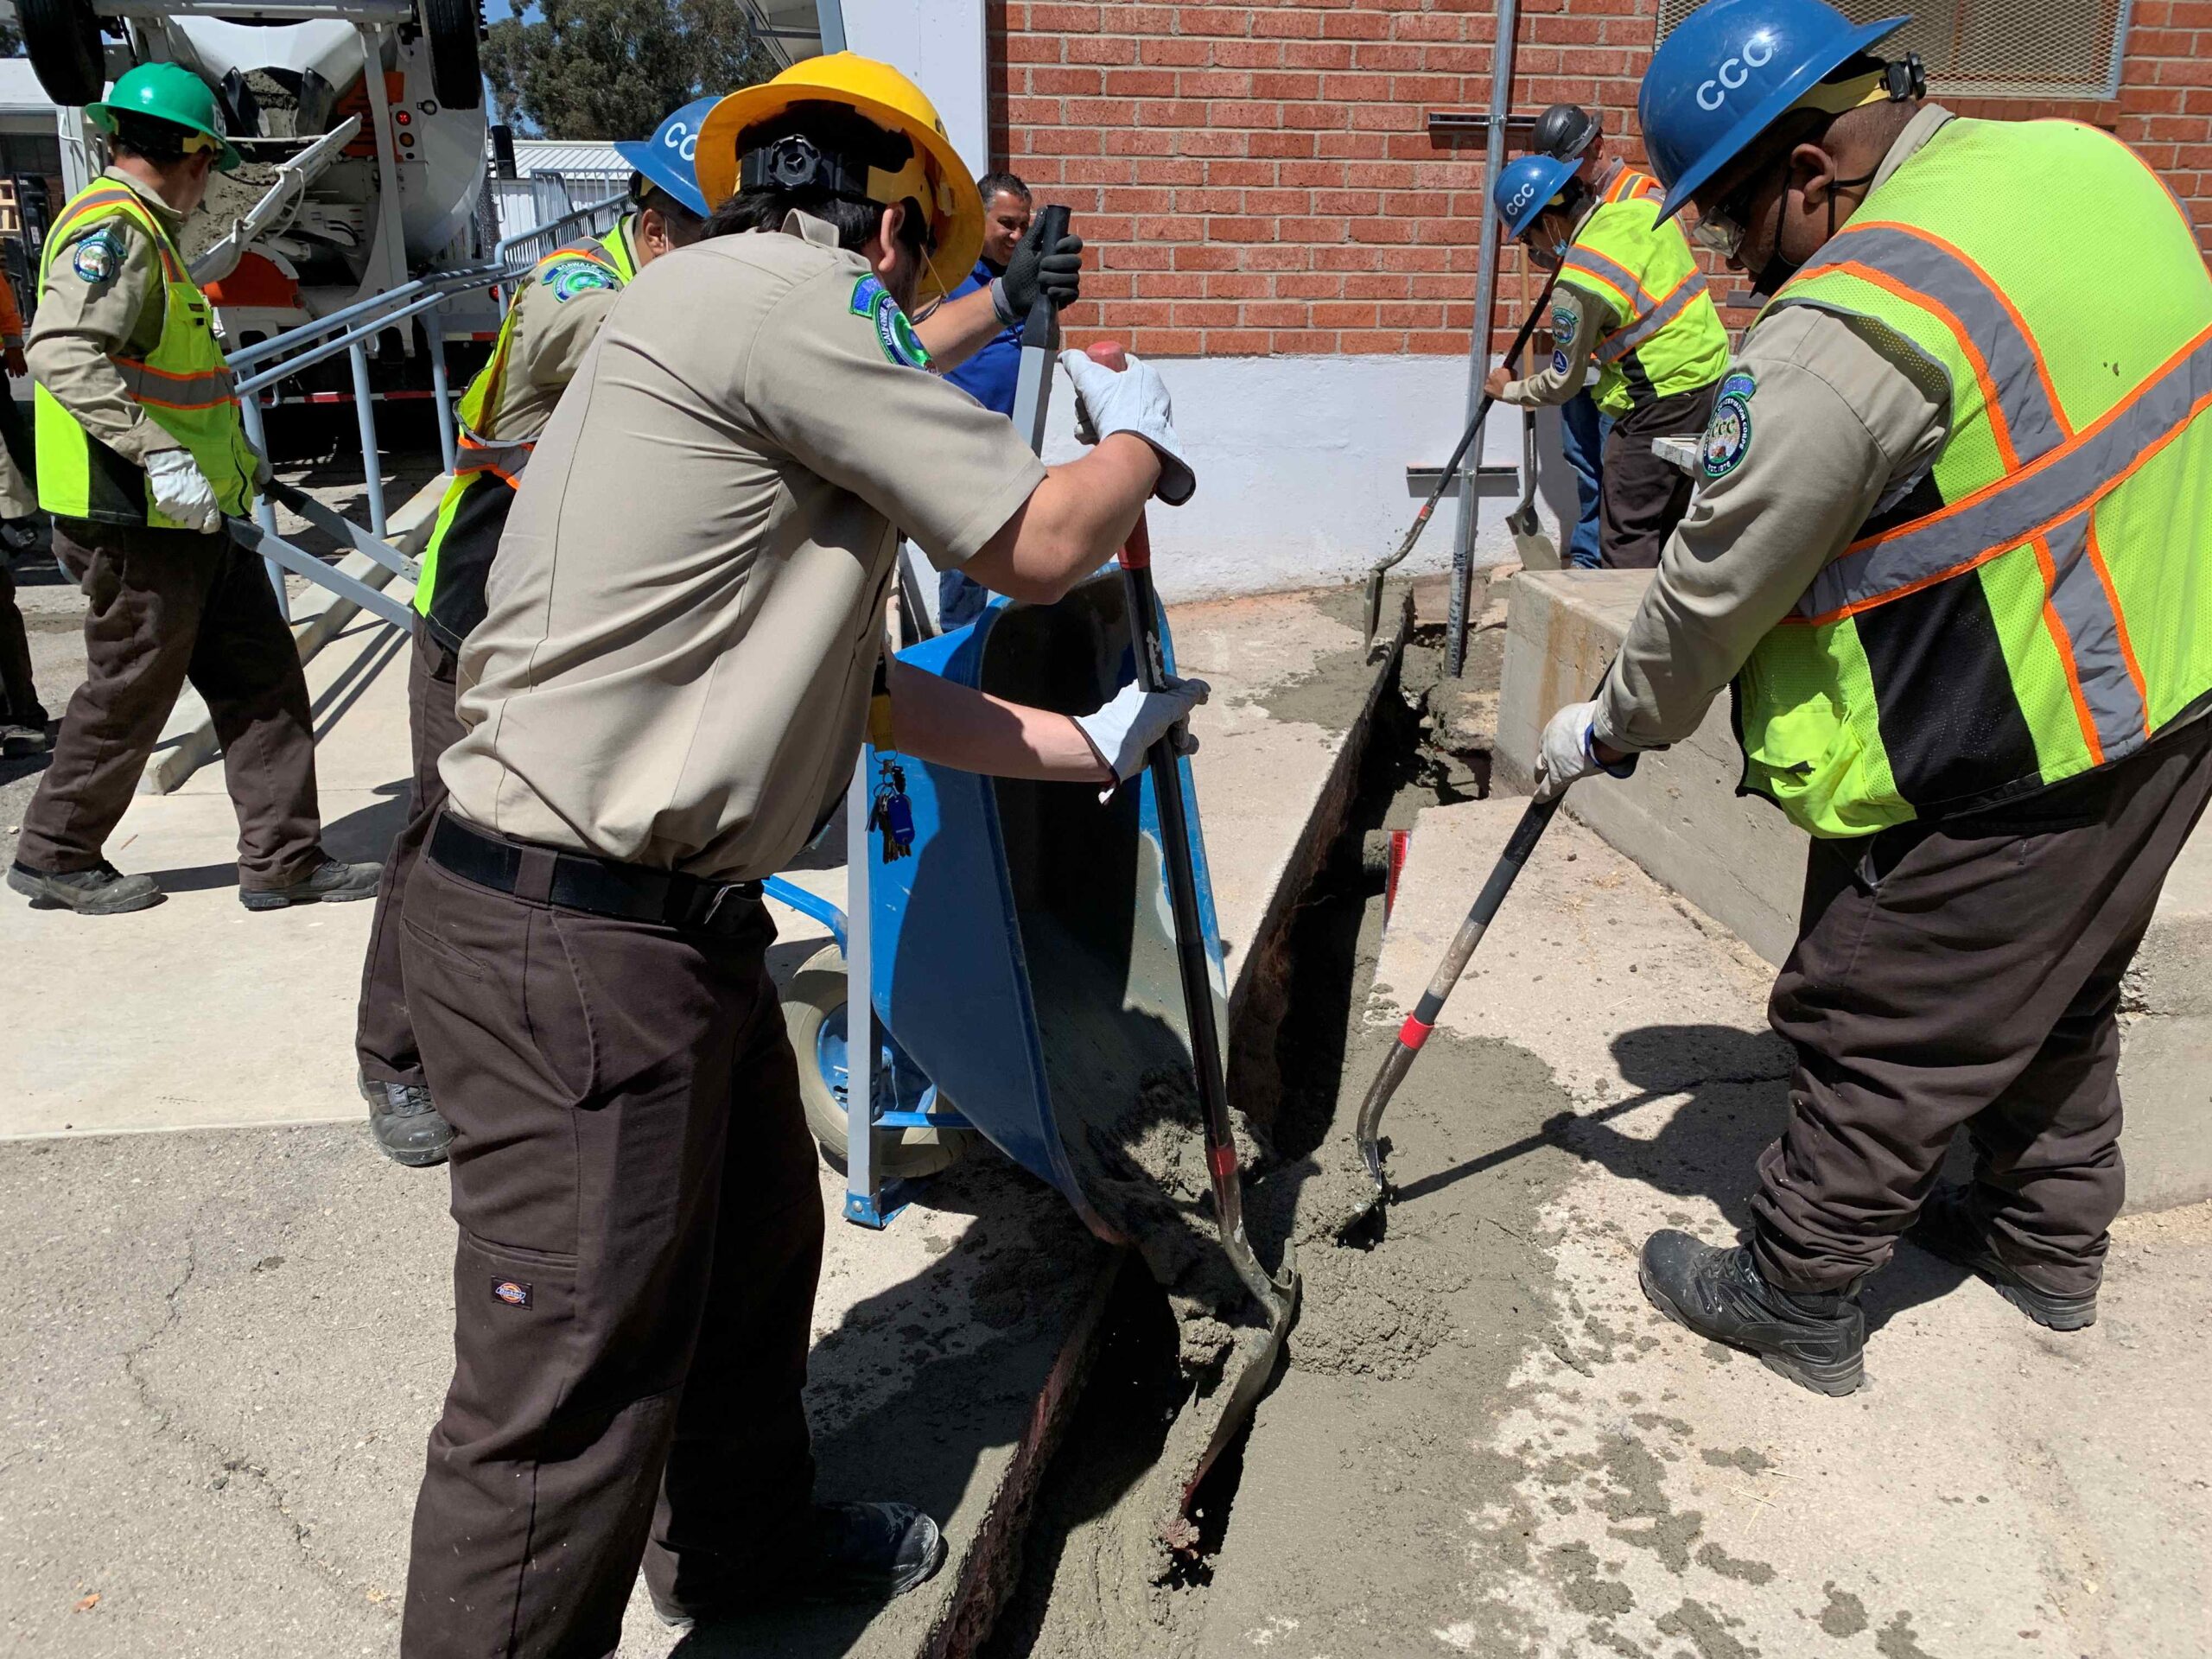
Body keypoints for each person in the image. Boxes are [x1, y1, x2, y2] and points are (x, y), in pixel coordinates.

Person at [396, 53, 1199, 1656]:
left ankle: (745, 1551)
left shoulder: (718, 315)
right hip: (579, 943)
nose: (924, 316)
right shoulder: (796, 304)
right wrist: (1144, 451)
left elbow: (860, 681)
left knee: (757, 1247)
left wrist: (1077, 745)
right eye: (938, 270)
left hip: (653, 932)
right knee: (562, 1406)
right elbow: (1035, 544)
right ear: (885, 226)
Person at [1534, 0, 2212, 1396]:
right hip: (2177, 677)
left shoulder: (1845, 333)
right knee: (2058, 984)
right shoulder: (2080, 167)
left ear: (1808, 172)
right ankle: (2043, 1242)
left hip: (2022, 725)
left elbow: (1712, 592)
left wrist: (1608, 725)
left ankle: (1796, 1287)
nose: (1723, 265)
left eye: (1728, 227)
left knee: (1874, 1005)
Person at [353, 99, 715, 1169]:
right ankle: (398, 1061)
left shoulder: (662, 284)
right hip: (479, 615)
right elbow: (626, 340)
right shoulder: (574, 285)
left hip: (576, 630)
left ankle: (520, 1036)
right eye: (717, 243)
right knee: (439, 837)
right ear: (657, 227)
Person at [7, 64, 378, 917]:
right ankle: (55, 853)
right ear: (189, 153)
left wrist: (243, 474)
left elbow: (185, 383)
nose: (211, 177)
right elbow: (61, 351)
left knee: (261, 675)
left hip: (186, 512)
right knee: (134, 683)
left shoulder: (150, 230)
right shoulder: (115, 229)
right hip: (132, 512)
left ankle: (284, 859)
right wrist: (159, 458)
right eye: (210, 158)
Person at [1484, 138, 1731, 569]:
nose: (1534, 249)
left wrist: (1511, 391)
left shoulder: (1577, 283)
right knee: (1667, 523)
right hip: (1712, 385)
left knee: (1626, 534)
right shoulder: (1640, 210)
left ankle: (1628, 634)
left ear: (1550, 223)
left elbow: (1565, 382)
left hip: (1656, 405)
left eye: (1529, 237)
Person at [937, 168, 1036, 627]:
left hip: (1012, 444)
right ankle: (959, 661)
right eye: (1007, 225)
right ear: (979, 220)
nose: (1017, 235)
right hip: (961, 446)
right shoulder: (945, 275)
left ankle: (998, 643)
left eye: (1024, 226)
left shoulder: (1026, 279)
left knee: (1016, 551)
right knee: (967, 563)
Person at [1528, 103, 1611, 570]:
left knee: (1612, 473)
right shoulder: (1568, 202)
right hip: (1584, 357)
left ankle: (1598, 561)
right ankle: (1586, 556)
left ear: (1595, 146)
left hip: (1626, 366)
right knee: (1582, 460)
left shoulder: (1636, 197)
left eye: (1572, 163)